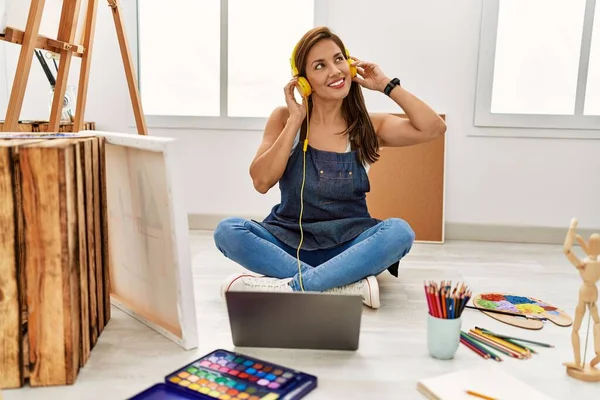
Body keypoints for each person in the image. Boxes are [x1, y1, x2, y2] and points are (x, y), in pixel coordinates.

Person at [213, 26, 446, 308]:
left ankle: (296, 286)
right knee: (228, 231)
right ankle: (342, 284)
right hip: (289, 243)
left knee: (399, 232)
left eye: (338, 59)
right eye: (320, 66)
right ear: (304, 81)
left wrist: (386, 84)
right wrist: (295, 120)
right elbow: (261, 182)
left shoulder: (371, 126)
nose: (335, 71)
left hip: (350, 246)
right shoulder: (285, 118)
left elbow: (434, 128)